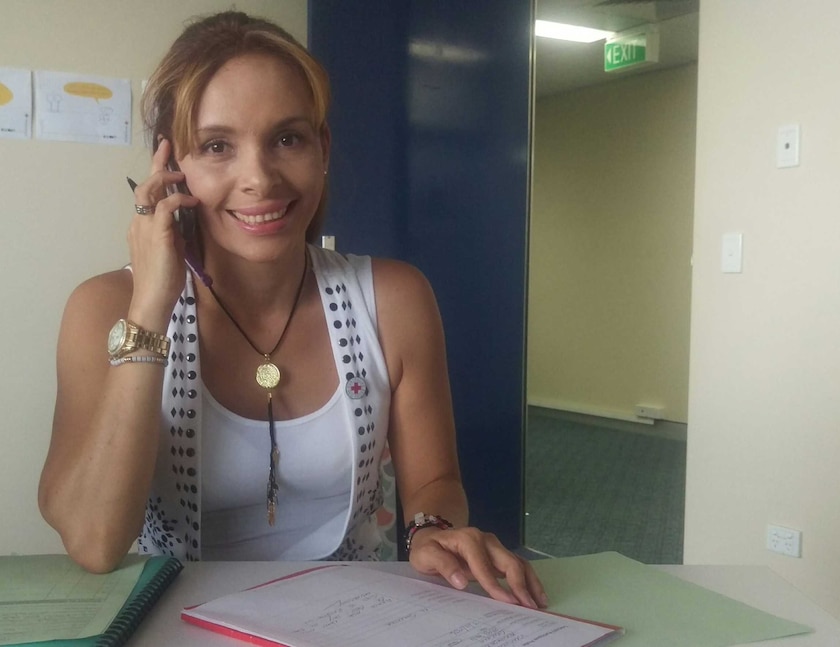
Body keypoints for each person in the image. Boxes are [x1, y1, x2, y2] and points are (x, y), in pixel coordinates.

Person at [38, 11, 546, 608]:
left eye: (287, 138)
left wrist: (430, 526)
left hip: (355, 615)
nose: (259, 178)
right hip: (174, 620)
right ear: (171, 167)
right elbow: (96, 544)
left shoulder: (396, 298)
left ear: (322, 148)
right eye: (217, 146)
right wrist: (150, 309)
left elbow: (434, 480)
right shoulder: (102, 308)